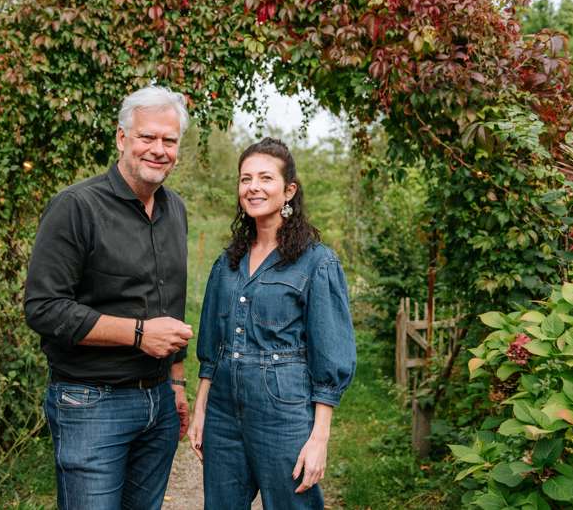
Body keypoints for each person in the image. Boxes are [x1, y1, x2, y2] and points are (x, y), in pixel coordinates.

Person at [24, 85, 194, 510]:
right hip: (91, 403)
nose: (158, 149)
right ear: (122, 138)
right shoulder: (75, 207)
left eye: (169, 141)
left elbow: (169, 301)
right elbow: (43, 309)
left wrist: (176, 381)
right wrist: (138, 335)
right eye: (147, 137)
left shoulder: (176, 210)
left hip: (158, 402)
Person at [187, 137, 357, 509]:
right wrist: (201, 409)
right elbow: (212, 344)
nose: (253, 187)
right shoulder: (227, 262)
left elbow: (330, 355)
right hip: (223, 411)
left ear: (288, 190)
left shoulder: (317, 263)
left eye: (266, 178)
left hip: (283, 410)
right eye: (245, 179)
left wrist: (319, 439)